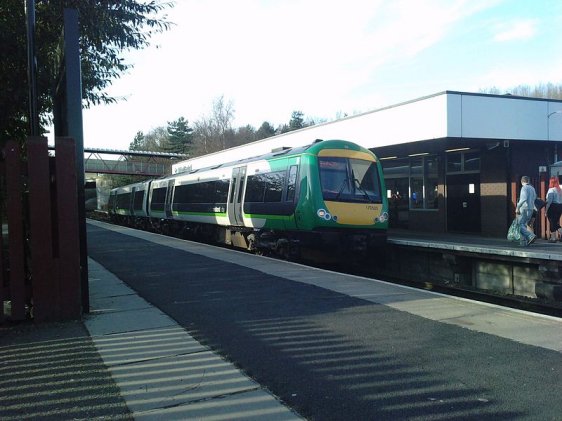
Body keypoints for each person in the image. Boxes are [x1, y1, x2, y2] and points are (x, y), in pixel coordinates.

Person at [515, 176, 537, 246]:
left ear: (522, 181)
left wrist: (518, 207)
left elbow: (523, 199)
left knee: (519, 225)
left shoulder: (524, 188)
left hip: (524, 208)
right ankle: (523, 242)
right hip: (531, 208)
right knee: (524, 225)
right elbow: (535, 197)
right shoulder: (532, 188)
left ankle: (530, 235)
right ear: (528, 181)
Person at [545, 176, 562, 242]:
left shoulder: (551, 190)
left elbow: (549, 201)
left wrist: (546, 211)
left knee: (552, 222)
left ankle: (553, 238)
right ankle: (554, 237)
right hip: (560, 206)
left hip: (553, 207)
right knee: (555, 222)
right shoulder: (560, 189)